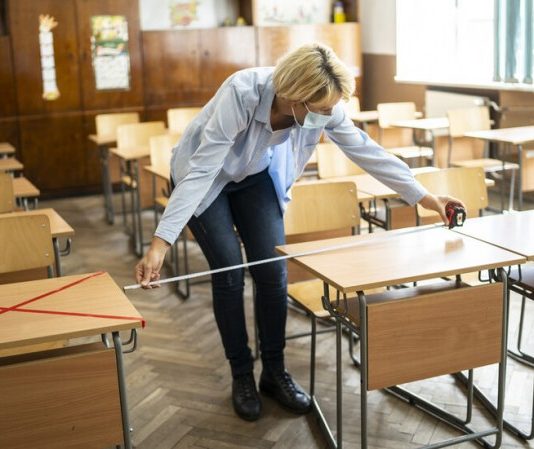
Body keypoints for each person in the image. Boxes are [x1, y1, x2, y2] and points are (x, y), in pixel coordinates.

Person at [135, 43, 463, 422]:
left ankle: (274, 372)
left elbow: (365, 150)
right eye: (320, 110)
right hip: (204, 177)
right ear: (293, 97)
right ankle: (241, 374)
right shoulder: (242, 93)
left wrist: (425, 196)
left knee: (273, 273)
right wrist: (160, 243)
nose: (327, 116)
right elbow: (203, 170)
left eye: (330, 109)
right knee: (229, 273)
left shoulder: (323, 105)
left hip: (255, 174)